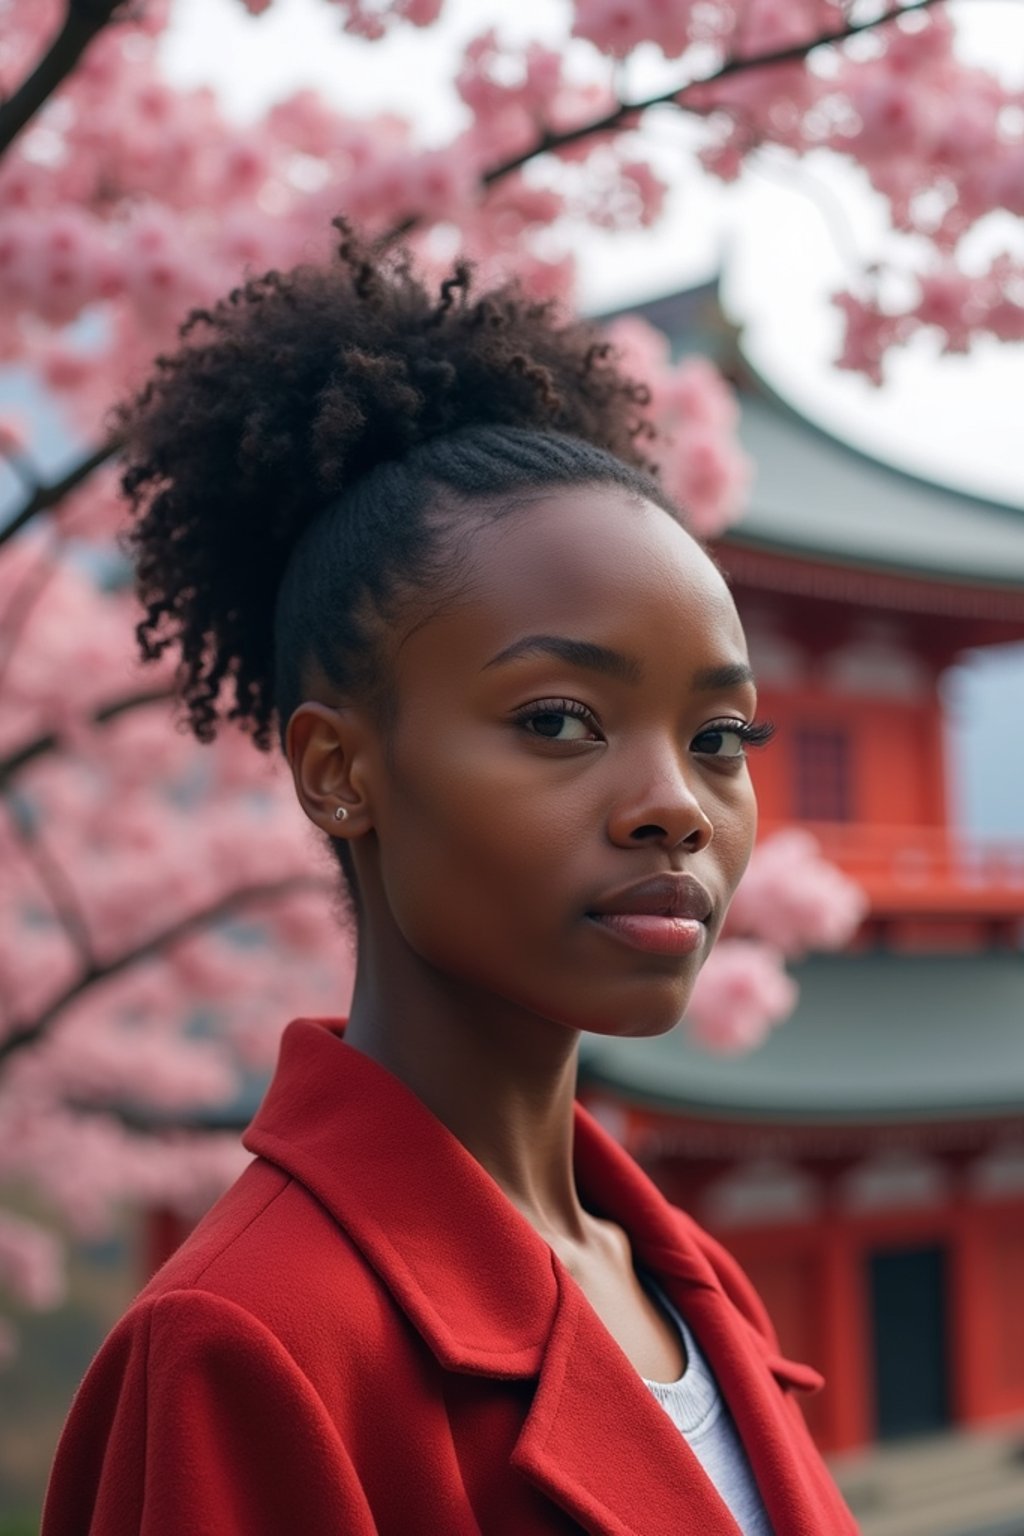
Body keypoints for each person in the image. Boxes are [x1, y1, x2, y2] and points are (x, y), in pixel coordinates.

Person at [43, 226, 858, 1535]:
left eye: (718, 740)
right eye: (556, 720)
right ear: (338, 772)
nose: (675, 809)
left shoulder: (688, 1282)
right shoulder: (248, 1349)